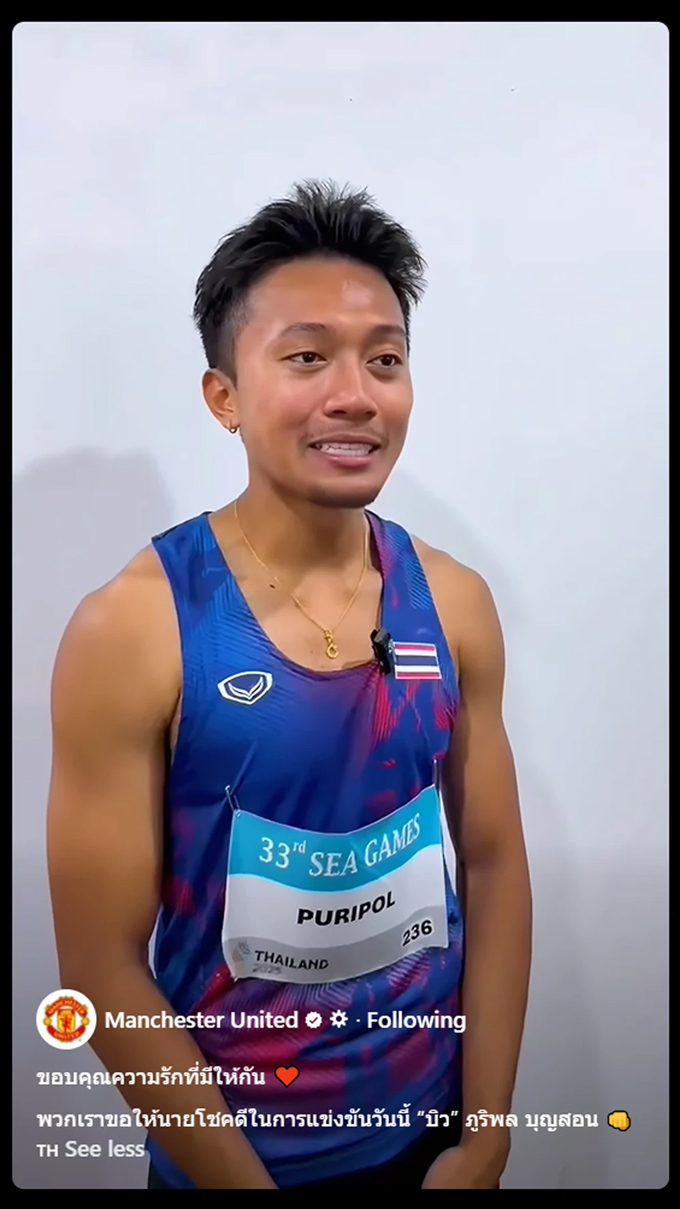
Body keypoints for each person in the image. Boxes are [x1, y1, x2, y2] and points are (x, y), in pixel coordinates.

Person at [47, 180, 532, 1190]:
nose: (355, 394)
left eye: (384, 359)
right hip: (235, 1158)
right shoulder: (135, 627)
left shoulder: (452, 602)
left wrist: (485, 1136)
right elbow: (99, 969)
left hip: (428, 1136)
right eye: (307, 357)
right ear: (223, 395)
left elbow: (490, 866)